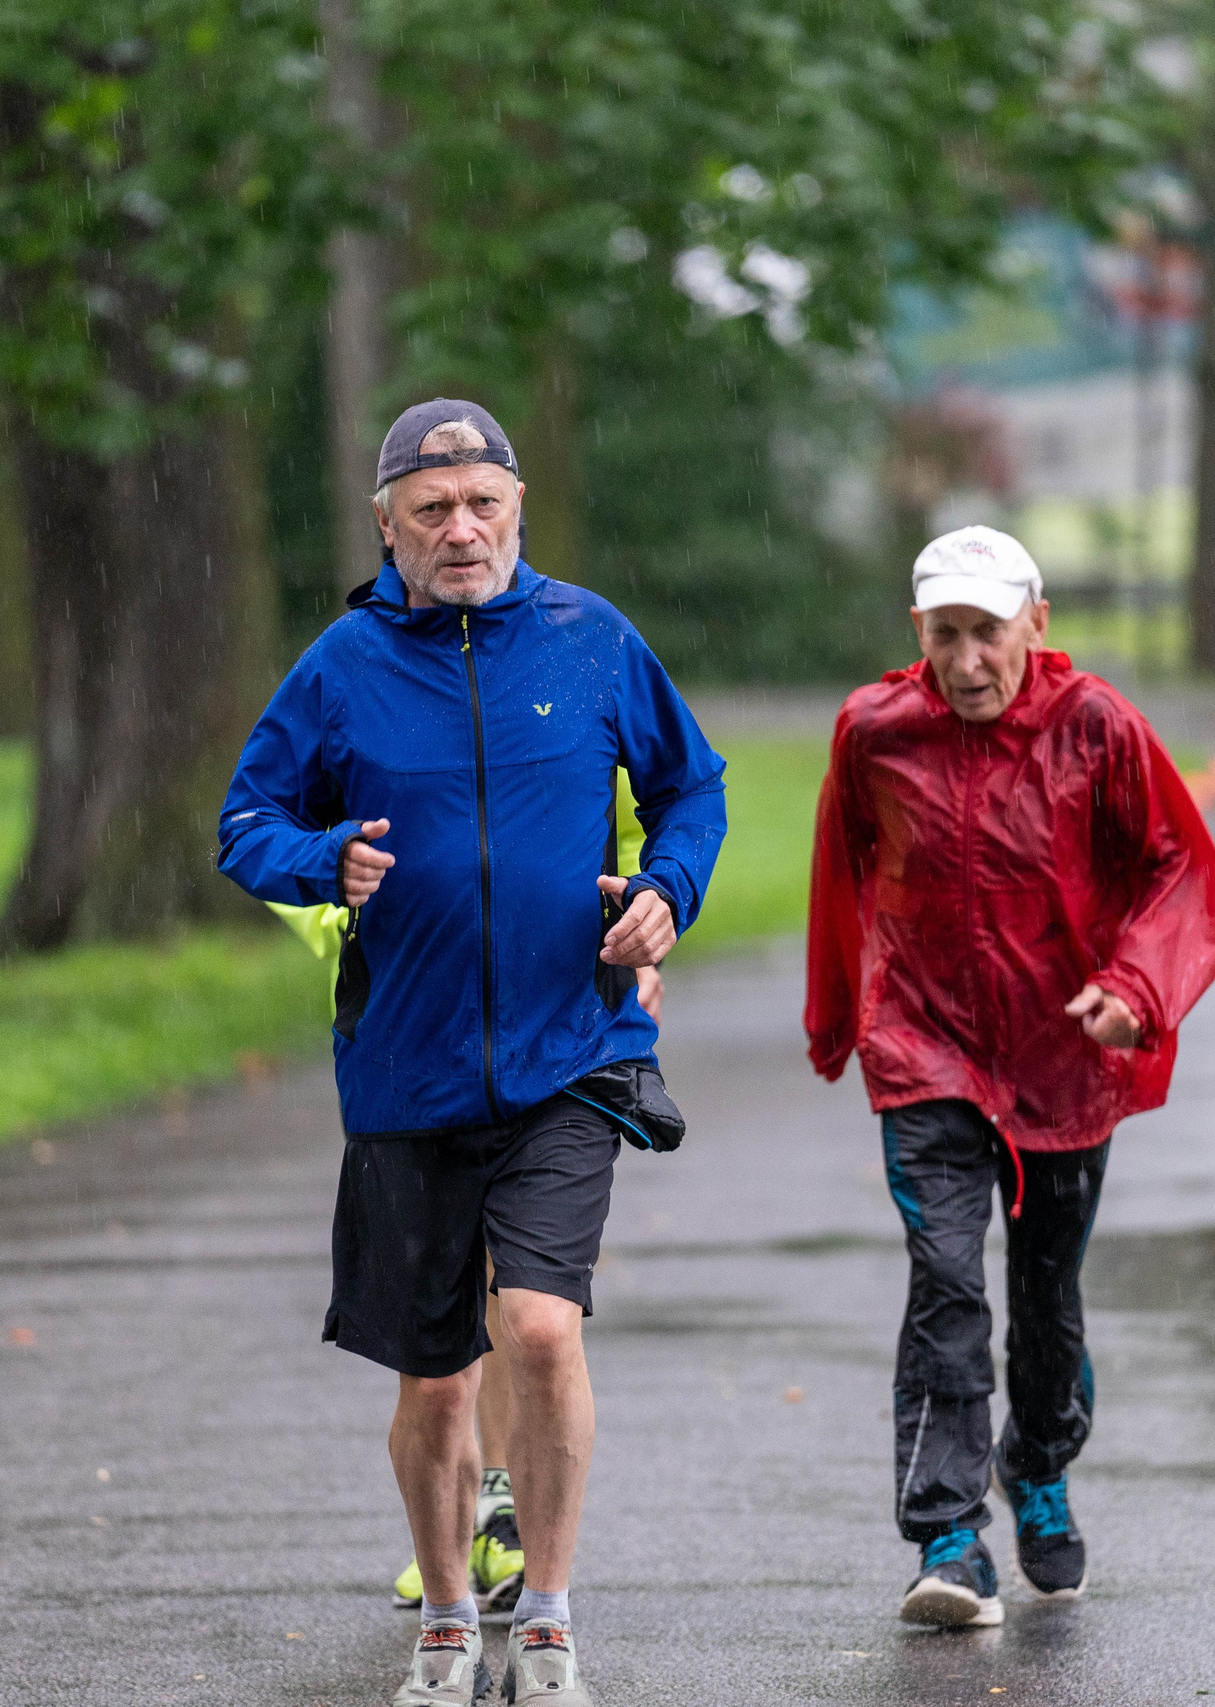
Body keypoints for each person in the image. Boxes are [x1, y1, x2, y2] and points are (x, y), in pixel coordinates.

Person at [220, 400, 725, 1706]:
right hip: (407, 1071)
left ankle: (546, 1611)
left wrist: (670, 884)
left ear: (516, 510)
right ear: (387, 522)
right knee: (437, 1378)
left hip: (573, 1050)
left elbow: (695, 784)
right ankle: (451, 1611)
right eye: (432, 508)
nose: (461, 529)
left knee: (542, 1327)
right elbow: (247, 818)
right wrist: (319, 858)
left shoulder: (591, 638)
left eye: (482, 503)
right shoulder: (341, 667)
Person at [804, 525, 1215, 1628]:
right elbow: (842, 869)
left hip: (1060, 1059)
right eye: (946, 636)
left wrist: (1138, 987)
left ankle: (1036, 1461)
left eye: (988, 633)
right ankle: (948, 1538)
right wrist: (840, 1016)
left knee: (1046, 1303)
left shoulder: (1097, 729)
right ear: (919, 635)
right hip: (925, 1048)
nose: (969, 660)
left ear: (1035, 624)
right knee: (945, 1282)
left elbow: (1179, 866)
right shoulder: (874, 731)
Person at [268, 812, 664, 1616]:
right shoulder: (359, 692)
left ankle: (500, 1516)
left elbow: (621, 817)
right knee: (444, 1329)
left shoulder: (576, 686)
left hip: (549, 1003)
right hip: (406, 1016)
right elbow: (281, 833)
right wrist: (356, 908)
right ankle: (467, 1521)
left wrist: (639, 919)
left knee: (521, 1288)